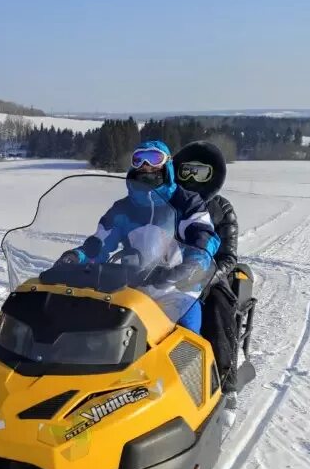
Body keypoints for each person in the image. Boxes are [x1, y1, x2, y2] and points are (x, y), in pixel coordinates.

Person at [59, 140, 220, 333]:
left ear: (167, 164)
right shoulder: (123, 208)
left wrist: (189, 267)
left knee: (186, 333)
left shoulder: (187, 203)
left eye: (153, 158)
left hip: (175, 289)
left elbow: (203, 237)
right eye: (138, 159)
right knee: (98, 331)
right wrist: (77, 256)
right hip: (130, 287)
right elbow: (100, 242)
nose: (145, 165)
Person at [174, 141, 241, 389]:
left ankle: (226, 381)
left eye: (199, 172)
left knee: (217, 308)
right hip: (167, 272)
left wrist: (206, 276)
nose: (191, 177)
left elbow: (228, 257)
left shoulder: (221, 208)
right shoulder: (170, 201)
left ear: (213, 175)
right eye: (187, 170)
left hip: (209, 275)